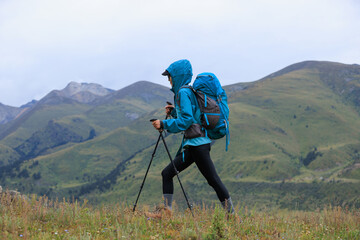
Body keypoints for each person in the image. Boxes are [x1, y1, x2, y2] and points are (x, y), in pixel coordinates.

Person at [151, 59, 234, 214]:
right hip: (195, 144)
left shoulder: (183, 92)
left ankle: (233, 217)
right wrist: (174, 112)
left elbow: (186, 121)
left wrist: (163, 124)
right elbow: (193, 117)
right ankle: (166, 212)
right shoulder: (188, 91)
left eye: (169, 77)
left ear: (177, 76)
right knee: (167, 173)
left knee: (214, 180)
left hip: (198, 146)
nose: (169, 80)